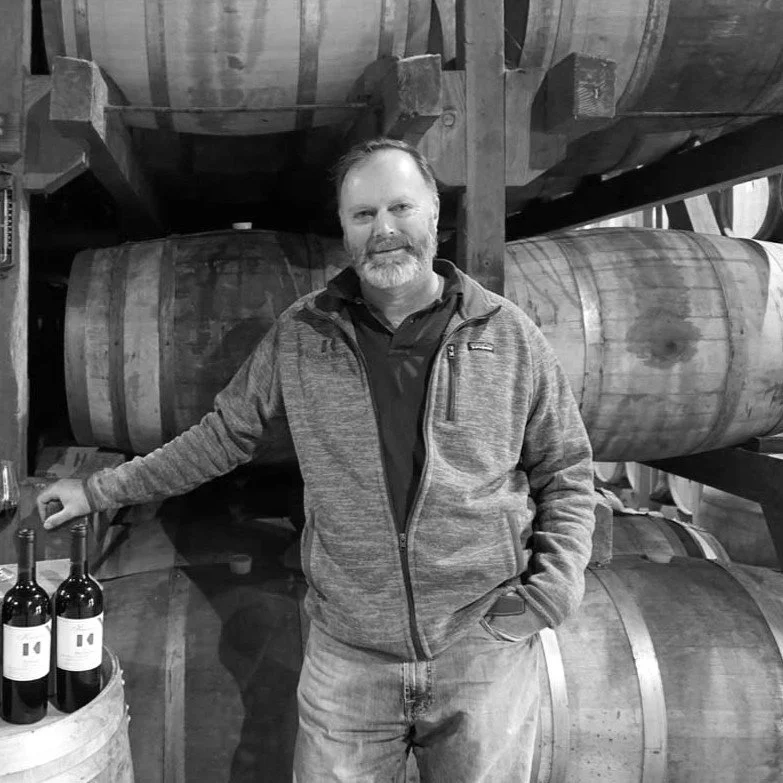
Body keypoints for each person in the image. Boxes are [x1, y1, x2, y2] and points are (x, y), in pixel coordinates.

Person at [38, 138, 596, 782]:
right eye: (363, 216)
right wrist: (100, 490)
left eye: (400, 208)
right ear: (344, 230)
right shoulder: (305, 334)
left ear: (434, 215)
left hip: (481, 646)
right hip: (350, 655)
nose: (384, 230)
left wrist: (553, 591)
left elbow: (566, 467)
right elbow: (221, 437)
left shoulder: (506, 333)